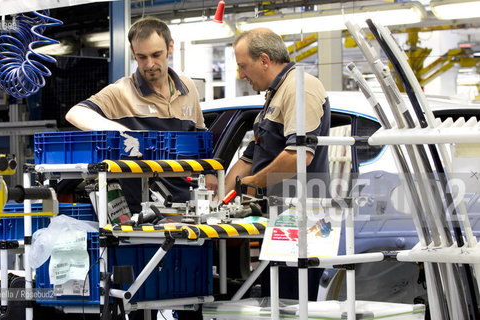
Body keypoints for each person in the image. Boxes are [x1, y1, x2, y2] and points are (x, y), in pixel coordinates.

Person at [66, 16, 217, 213]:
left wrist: (210, 172)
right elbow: (75, 113)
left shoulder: (187, 87)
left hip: (187, 206)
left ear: (170, 48)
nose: (149, 64)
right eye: (142, 57)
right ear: (132, 53)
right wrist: (124, 133)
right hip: (143, 212)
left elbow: (199, 136)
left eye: (156, 54)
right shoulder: (121, 92)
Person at [224, 28, 330, 301]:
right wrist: (221, 200)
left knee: (293, 304)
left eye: (243, 66)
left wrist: (251, 184)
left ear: (264, 60)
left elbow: (299, 157)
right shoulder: (275, 94)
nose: (241, 75)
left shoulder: (300, 87)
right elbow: (249, 158)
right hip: (282, 217)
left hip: (304, 220)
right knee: (276, 302)